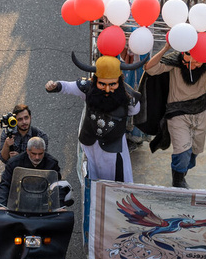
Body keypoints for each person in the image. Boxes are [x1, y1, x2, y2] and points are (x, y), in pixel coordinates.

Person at [141, 42, 206, 188]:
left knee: (194, 152)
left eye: (195, 63)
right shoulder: (176, 62)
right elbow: (150, 69)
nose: (190, 66)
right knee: (182, 151)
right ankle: (178, 181)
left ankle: (181, 172)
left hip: (199, 113)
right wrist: (166, 48)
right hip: (177, 113)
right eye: (186, 62)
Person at [45, 54, 146, 183]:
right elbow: (67, 87)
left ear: (120, 80)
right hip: (90, 145)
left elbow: (135, 110)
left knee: (117, 181)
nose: (107, 89)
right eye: (102, 84)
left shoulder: (128, 96)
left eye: (113, 84)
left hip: (113, 148)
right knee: (92, 180)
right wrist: (54, 85)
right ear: (95, 80)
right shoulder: (88, 88)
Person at [0, 137, 60, 212]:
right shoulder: (14, 163)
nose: (37, 157)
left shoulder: (52, 163)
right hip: (18, 194)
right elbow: (5, 184)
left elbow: (57, 185)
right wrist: (1, 205)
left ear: (44, 151)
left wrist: (60, 206)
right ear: (27, 151)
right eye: (34, 153)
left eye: (40, 154)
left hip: (42, 195)